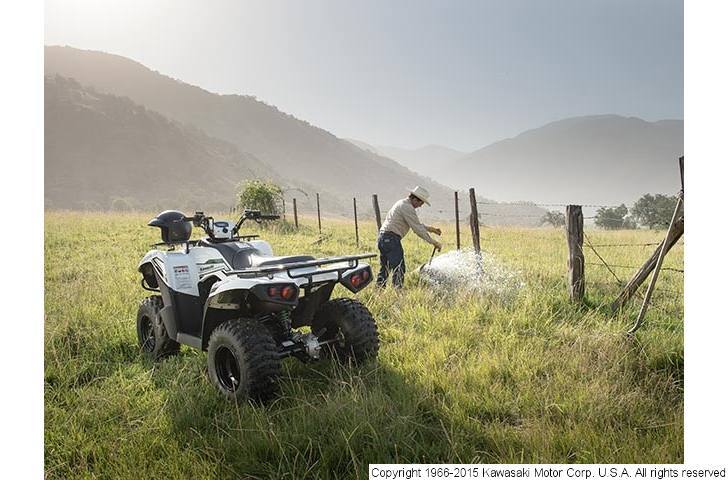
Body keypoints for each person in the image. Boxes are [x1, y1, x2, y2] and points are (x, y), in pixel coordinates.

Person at [376, 186, 442, 288]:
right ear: (415, 199)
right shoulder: (407, 207)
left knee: (385, 267)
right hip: (391, 238)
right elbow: (417, 229)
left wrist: (432, 229)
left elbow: (416, 224)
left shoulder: (402, 203)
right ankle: (398, 292)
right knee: (399, 268)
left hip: (383, 238)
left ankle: (379, 290)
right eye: (420, 203)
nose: (420, 206)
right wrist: (434, 242)